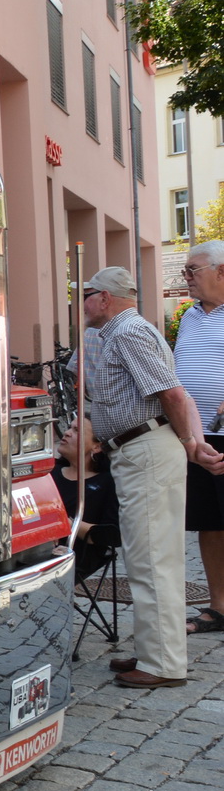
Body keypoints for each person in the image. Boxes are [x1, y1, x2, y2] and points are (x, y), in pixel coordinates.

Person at [79, 266, 224, 687]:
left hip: (146, 451)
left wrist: (190, 444)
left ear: (105, 298)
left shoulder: (127, 332)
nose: (81, 302)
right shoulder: (120, 331)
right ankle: (154, 650)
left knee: (151, 558)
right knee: (147, 556)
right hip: (136, 450)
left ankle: (162, 665)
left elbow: (174, 394)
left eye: (86, 294)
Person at [173, 239, 224, 636]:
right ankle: (219, 606)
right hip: (198, 438)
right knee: (211, 522)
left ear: (221, 271)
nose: (185, 277)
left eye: (193, 270)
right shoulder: (188, 316)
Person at [51, 416, 120, 582]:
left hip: (75, 556)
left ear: (96, 446)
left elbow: (111, 535)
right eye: (69, 427)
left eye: (76, 431)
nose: (66, 433)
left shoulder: (107, 482)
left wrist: (65, 524)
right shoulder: (49, 471)